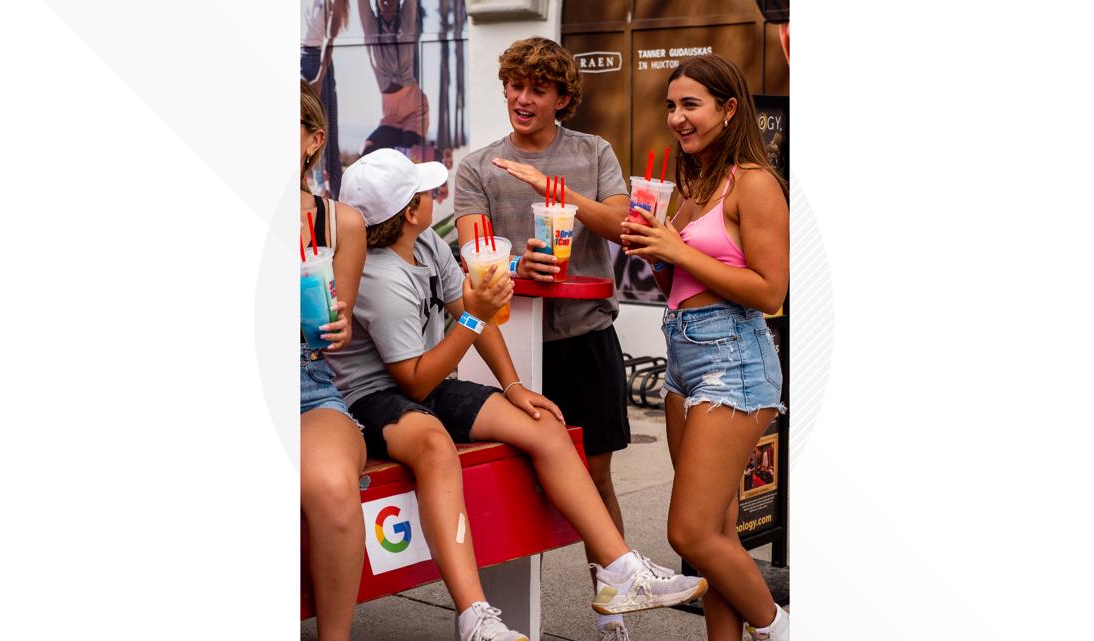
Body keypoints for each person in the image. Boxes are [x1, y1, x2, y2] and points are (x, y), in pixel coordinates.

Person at [329, 148, 707, 641]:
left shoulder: (426, 247)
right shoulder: (379, 275)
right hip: (373, 397)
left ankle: (619, 569)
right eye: (425, 192)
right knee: (433, 443)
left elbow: (469, 308)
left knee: (543, 422)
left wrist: (513, 386)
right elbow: (416, 379)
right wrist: (475, 314)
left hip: (425, 380)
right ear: (407, 211)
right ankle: (475, 617)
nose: (433, 197)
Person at [452, 37, 636, 640]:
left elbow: (622, 226)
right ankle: (496, 616)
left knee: (597, 478)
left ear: (562, 97)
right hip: (505, 350)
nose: (522, 98)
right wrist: (513, 273)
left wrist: (553, 191)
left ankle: (611, 608)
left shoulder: (593, 151)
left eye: (538, 88)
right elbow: (474, 257)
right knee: (499, 483)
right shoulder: (477, 166)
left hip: (586, 339)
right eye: (515, 85)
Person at [620, 54, 790, 641]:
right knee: (718, 532)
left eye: (690, 104)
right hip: (684, 360)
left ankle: (780, 629)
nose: (677, 117)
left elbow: (769, 291)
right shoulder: (690, 187)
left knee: (689, 535)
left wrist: (679, 251)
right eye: (671, 105)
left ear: (728, 108)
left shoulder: (756, 183)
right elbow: (682, 284)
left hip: (733, 362)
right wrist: (656, 257)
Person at [299, 78, 370, 641]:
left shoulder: (340, 223)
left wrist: (338, 325)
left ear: (312, 139)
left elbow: (333, 335)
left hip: (307, 383)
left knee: (333, 488)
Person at [357, 0, 430, 155]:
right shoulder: (371, 27)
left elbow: (410, 4)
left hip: (414, 107)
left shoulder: (406, 23)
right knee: (367, 150)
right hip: (390, 113)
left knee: (407, 155)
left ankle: (435, 160)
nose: (386, 2)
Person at [301, 0, 349, 198]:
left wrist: (319, 77)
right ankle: (323, 192)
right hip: (306, 56)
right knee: (314, 134)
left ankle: (331, 197)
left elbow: (330, 37)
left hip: (315, 60)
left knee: (323, 135)